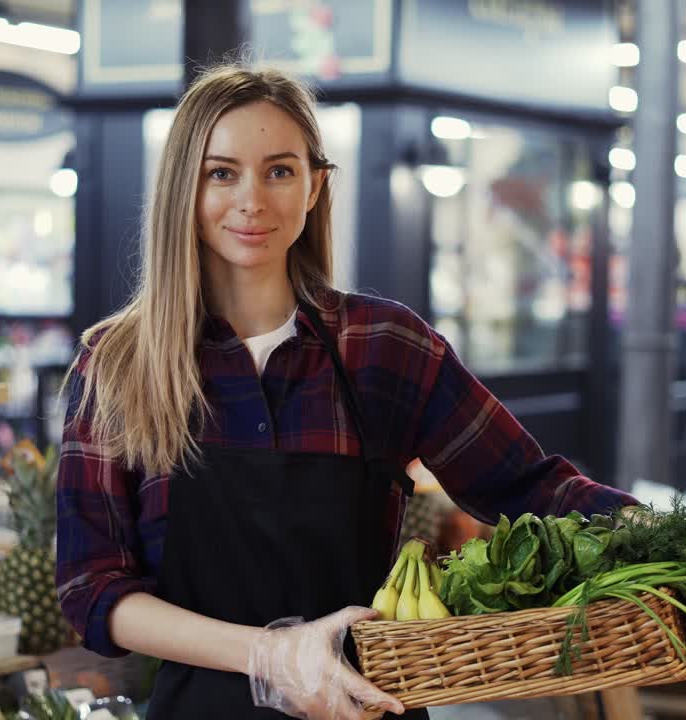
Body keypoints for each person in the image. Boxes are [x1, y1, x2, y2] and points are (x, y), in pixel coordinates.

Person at [55, 63, 639, 720]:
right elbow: (92, 588)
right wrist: (270, 655)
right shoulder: (117, 365)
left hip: (368, 705)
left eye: (279, 170)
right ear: (182, 190)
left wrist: (659, 535)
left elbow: (530, 486)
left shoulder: (385, 346)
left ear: (315, 186)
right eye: (222, 173)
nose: (252, 199)